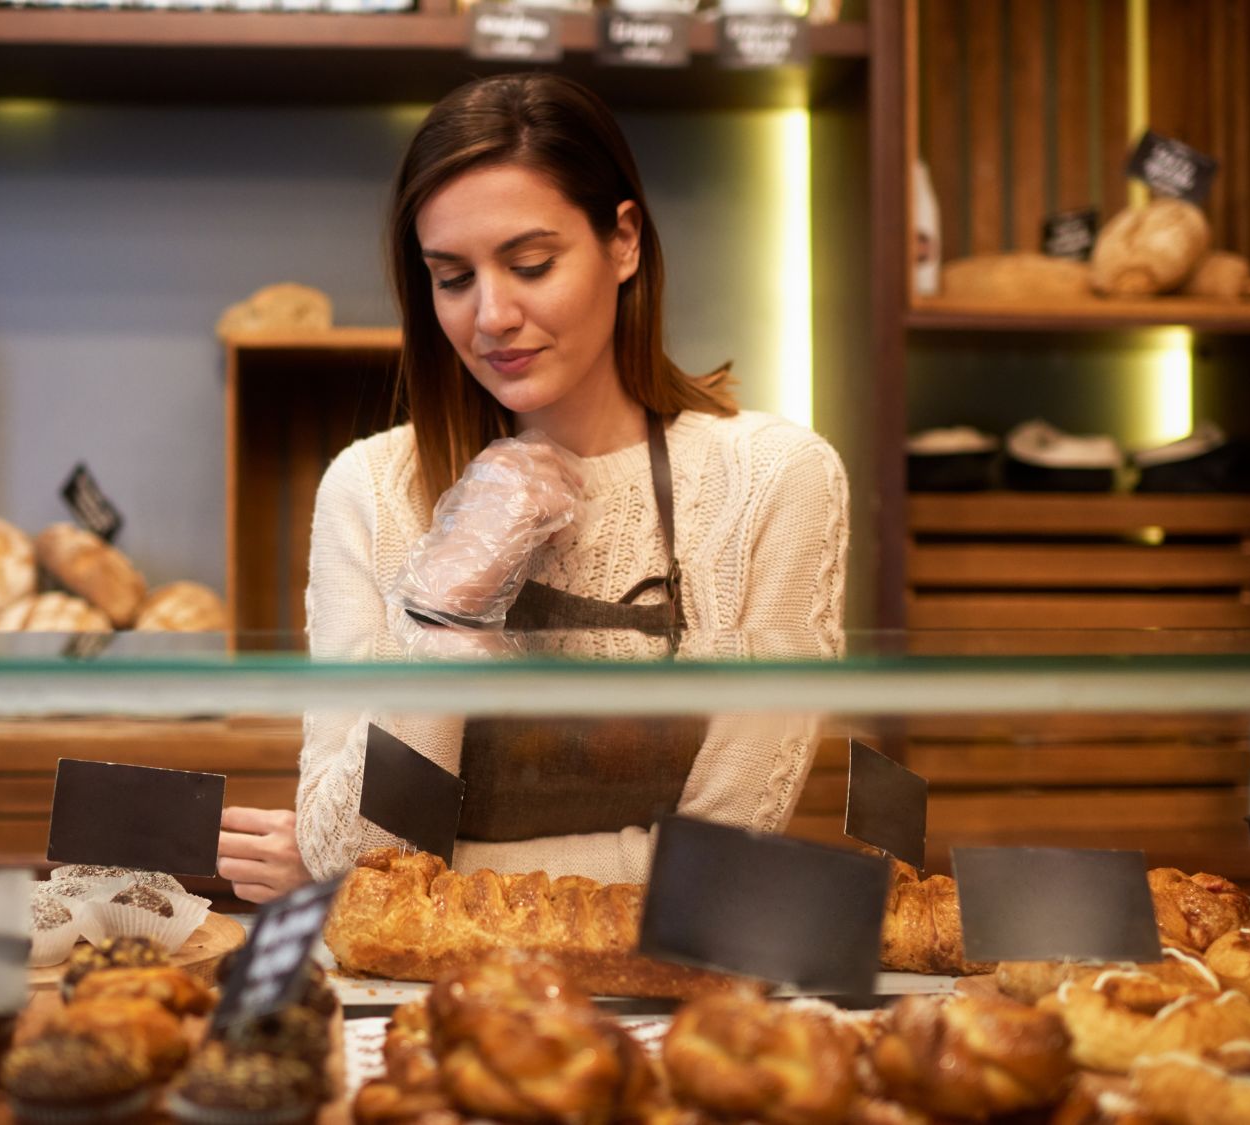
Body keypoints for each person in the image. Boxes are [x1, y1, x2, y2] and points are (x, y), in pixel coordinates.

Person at [214, 72, 847, 904]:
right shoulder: (370, 487)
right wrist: (448, 601)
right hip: (417, 1001)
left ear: (623, 241)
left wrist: (452, 874)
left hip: (661, 994)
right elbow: (357, 852)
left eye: (531, 263)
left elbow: (718, 871)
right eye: (453, 278)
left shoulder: (773, 479)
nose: (491, 316)